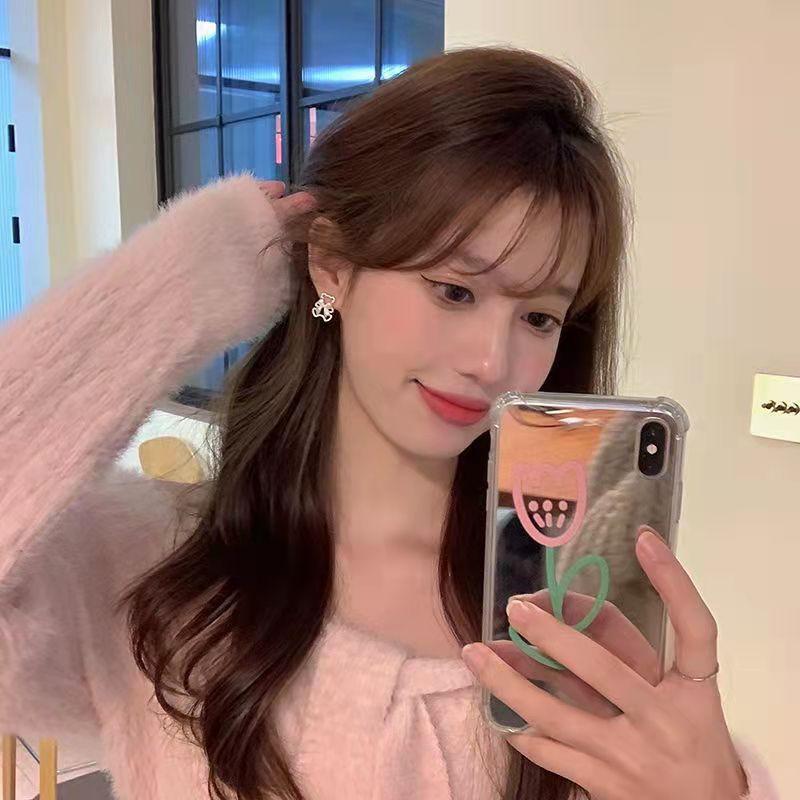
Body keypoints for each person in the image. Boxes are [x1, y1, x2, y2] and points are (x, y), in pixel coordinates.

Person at [0, 47, 779, 800]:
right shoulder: (149, 569)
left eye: (539, 316)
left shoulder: (568, 608)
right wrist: (173, 286)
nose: (492, 362)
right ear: (333, 264)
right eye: (454, 291)